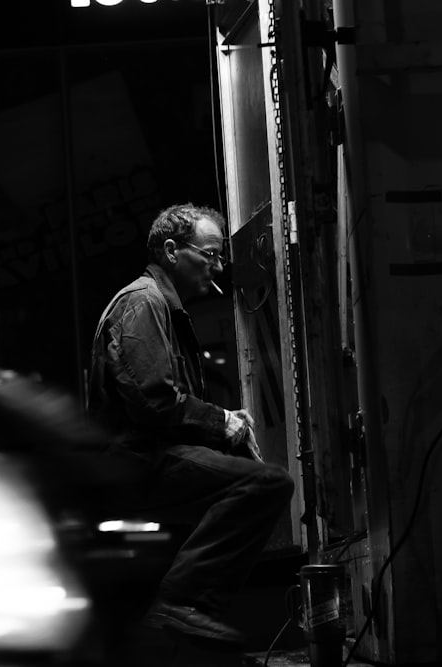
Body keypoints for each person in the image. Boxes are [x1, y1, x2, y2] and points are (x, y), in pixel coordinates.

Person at [86, 202, 296, 646]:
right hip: (135, 461)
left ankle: (183, 614)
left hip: (147, 456)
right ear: (171, 250)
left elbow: (170, 404)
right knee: (265, 485)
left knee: (245, 475)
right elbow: (155, 402)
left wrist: (226, 426)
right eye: (210, 254)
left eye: (220, 257)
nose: (218, 266)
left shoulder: (162, 307)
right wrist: (221, 422)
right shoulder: (143, 303)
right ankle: (182, 604)